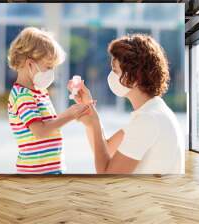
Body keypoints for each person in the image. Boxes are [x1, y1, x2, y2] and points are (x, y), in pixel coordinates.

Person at [69, 34, 185, 174]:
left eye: (115, 70)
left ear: (134, 78)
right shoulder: (153, 110)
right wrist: (89, 110)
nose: (111, 76)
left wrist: (94, 121)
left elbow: (106, 176)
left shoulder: (148, 120)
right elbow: (105, 149)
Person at [7, 27, 90, 174]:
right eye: (48, 67)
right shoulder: (22, 96)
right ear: (30, 64)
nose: (52, 73)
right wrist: (69, 115)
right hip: (36, 173)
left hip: (52, 169)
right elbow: (40, 131)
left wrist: (74, 110)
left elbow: (49, 124)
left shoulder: (40, 92)